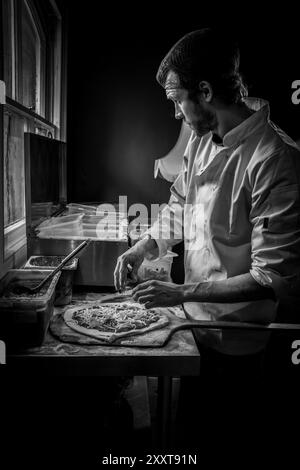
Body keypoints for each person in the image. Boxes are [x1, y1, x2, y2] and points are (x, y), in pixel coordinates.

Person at [114, 28, 300, 411]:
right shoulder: (199, 139)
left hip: (238, 340)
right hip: (192, 325)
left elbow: (270, 278)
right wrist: (142, 247)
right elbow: (179, 206)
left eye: (177, 100)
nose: (175, 111)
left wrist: (180, 292)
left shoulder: (274, 158)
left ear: (205, 91)